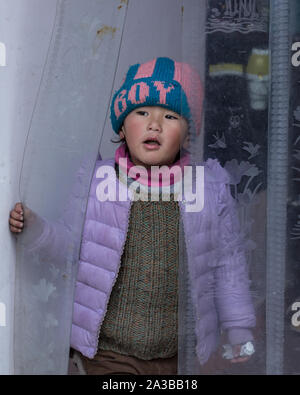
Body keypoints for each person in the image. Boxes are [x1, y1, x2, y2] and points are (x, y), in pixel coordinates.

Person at [9, 57, 256, 375]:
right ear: (122, 126)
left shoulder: (207, 189)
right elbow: (69, 248)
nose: (155, 124)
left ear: (188, 134)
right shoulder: (99, 182)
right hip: (108, 352)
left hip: (177, 355)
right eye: (141, 113)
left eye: (170, 116)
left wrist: (238, 325)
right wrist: (35, 228)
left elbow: (227, 261)